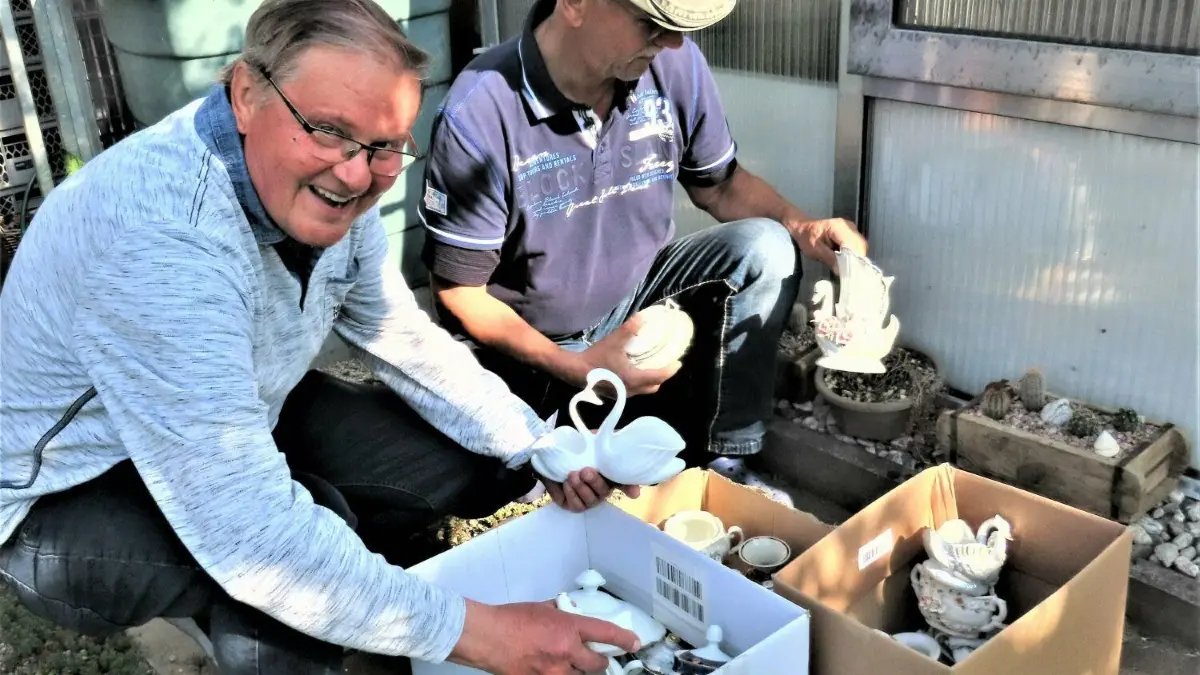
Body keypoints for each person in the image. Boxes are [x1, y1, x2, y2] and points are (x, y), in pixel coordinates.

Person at [0, 1, 649, 673]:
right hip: (60, 495)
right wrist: (476, 630)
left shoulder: (341, 181)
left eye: (385, 145)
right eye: (326, 129)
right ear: (246, 94)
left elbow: (398, 333)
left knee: (470, 460)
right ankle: (333, 618)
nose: (353, 173)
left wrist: (540, 444)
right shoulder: (164, 241)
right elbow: (252, 536)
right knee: (282, 572)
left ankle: (370, 604)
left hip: (237, 407)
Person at [418, 0, 868, 506]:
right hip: (529, 347)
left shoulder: (672, 66)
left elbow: (719, 187)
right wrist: (578, 367)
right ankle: (567, 428)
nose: (672, 42)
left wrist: (802, 226)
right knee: (506, 481)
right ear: (575, 4)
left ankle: (725, 462)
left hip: (631, 308)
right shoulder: (481, 108)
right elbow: (458, 292)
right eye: (652, 25)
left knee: (766, 246)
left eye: (677, 28)